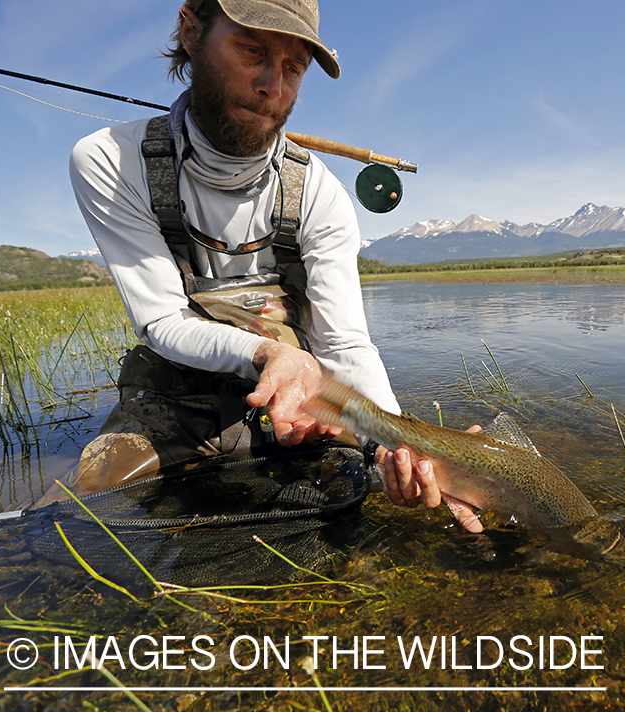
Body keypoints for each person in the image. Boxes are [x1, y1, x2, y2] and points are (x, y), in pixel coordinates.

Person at [62, 0, 483, 533]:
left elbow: (344, 346)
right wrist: (269, 352)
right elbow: (162, 322)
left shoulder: (321, 195)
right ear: (191, 30)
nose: (273, 86)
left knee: (372, 475)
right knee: (105, 496)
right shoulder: (109, 160)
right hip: (179, 391)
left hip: (307, 402)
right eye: (252, 50)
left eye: (293, 67)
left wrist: (393, 446)